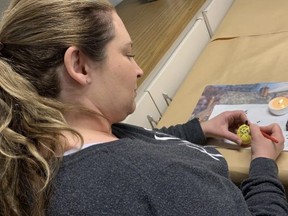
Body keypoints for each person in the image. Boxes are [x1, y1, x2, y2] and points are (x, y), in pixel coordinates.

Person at [0, 0, 287, 215]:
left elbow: (136, 141)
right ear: (80, 66)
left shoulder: (35, 154)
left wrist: (199, 128)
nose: (138, 69)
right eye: (127, 53)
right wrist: (263, 164)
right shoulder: (161, 178)